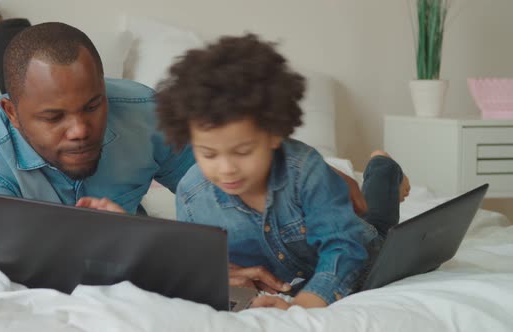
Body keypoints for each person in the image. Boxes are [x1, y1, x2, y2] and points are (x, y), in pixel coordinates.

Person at [81, 34, 411, 309]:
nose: (225, 169)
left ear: (274, 134)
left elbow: (345, 248)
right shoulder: (192, 193)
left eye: (242, 151)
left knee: (379, 224)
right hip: (289, 278)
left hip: (360, 255)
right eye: (208, 153)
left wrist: (307, 303)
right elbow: (200, 268)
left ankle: (383, 168)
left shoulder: (305, 170)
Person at [0, 3, 197, 252]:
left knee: (40, 83)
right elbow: (18, 280)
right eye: (54, 117)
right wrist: (123, 239)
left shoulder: (147, 114)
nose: (80, 130)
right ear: (12, 115)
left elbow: (213, 188)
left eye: (92, 106)